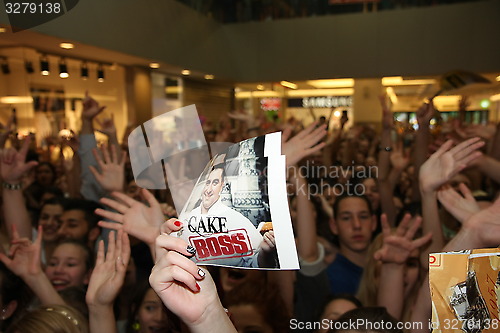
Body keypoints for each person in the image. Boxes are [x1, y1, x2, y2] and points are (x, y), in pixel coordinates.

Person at [179, 164, 277, 268]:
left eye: (215, 183)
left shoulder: (237, 220)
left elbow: (255, 264)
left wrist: (265, 252)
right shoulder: (186, 219)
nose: (208, 190)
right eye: (207, 183)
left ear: (222, 186)